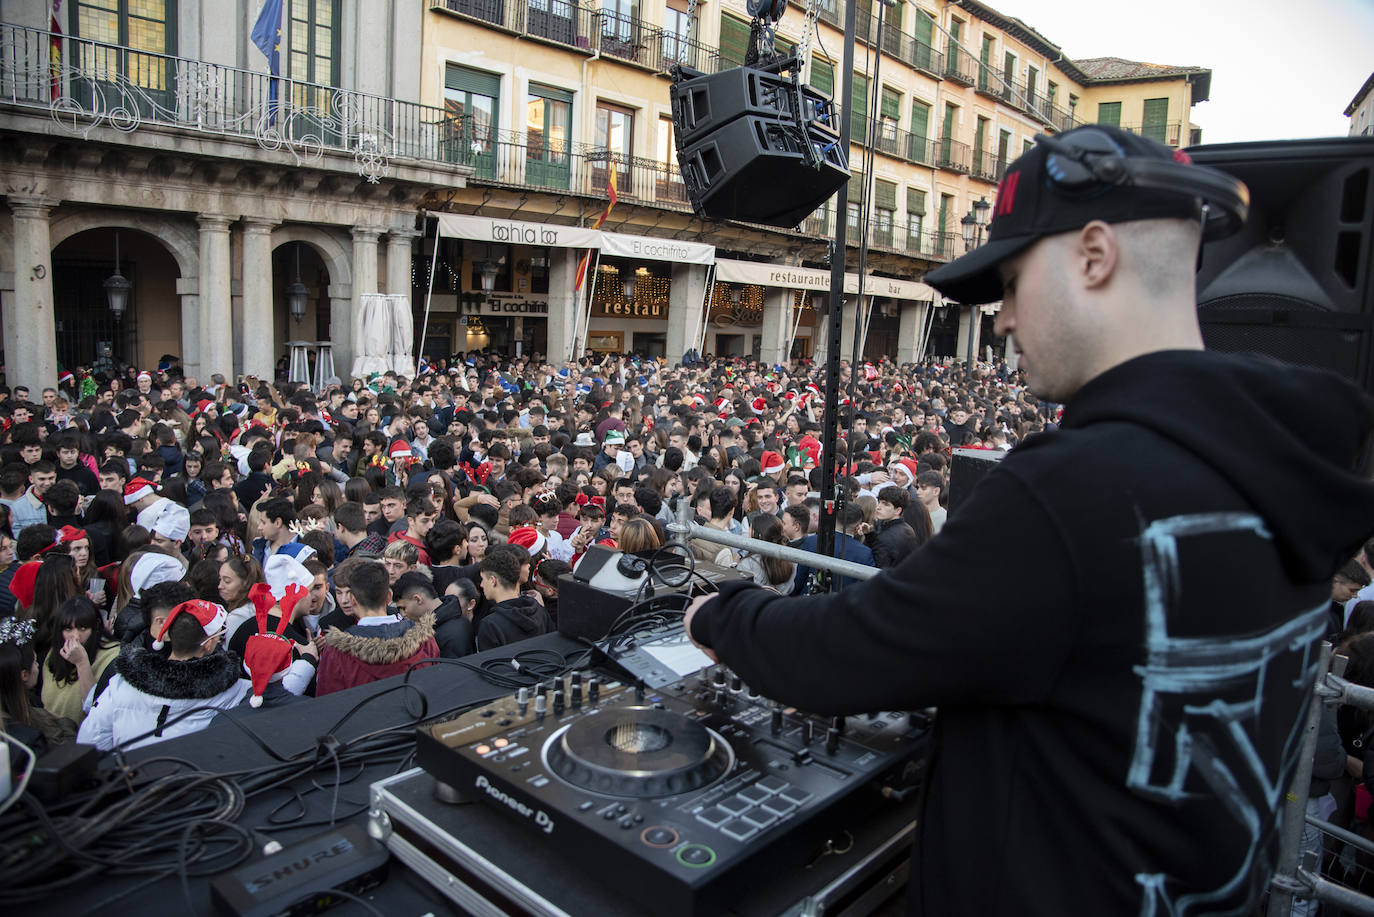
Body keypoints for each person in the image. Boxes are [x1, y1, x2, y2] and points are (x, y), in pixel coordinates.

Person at [682, 126, 1374, 916]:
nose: (1002, 319)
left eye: (1011, 280)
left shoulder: (1076, 488)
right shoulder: (1275, 461)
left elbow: (841, 653)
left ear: (1093, 254)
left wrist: (721, 609)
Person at [78, 599, 250, 751]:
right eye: (220, 636)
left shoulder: (121, 683)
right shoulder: (233, 691)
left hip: (132, 781)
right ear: (208, 644)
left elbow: (91, 739)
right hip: (193, 782)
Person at [314, 560, 438, 695]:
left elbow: (327, 702)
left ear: (352, 599)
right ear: (388, 596)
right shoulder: (425, 639)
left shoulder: (336, 652)